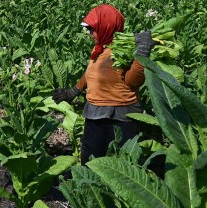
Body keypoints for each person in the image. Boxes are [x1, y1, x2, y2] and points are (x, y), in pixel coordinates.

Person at [52, 4, 156, 165]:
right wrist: (74, 91)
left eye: (92, 29)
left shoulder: (124, 51)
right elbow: (91, 73)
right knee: (91, 162)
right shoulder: (100, 50)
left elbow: (133, 81)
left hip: (121, 116)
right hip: (94, 114)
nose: (90, 33)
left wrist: (142, 53)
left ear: (106, 26)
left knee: (123, 164)